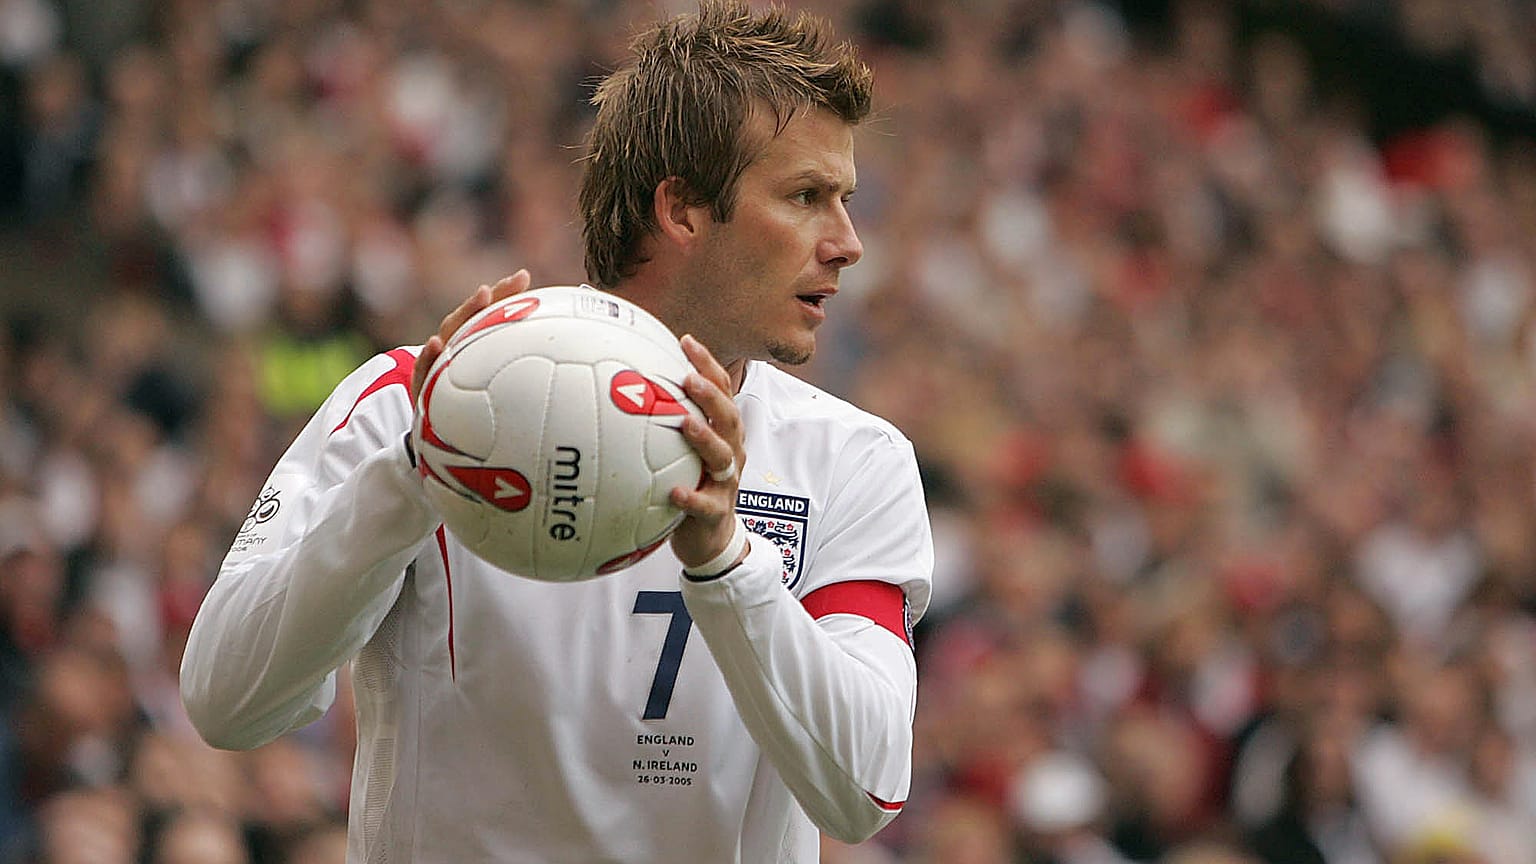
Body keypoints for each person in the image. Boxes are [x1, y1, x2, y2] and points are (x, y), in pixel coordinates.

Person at [178, 1, 934, 862]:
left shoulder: (852, 462)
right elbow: (225, 702)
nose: (848, 243)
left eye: (845, 200)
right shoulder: (408, 405)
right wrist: (410, 480)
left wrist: (728, 563)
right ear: (683, 210)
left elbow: (867, 787)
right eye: (806, 197)